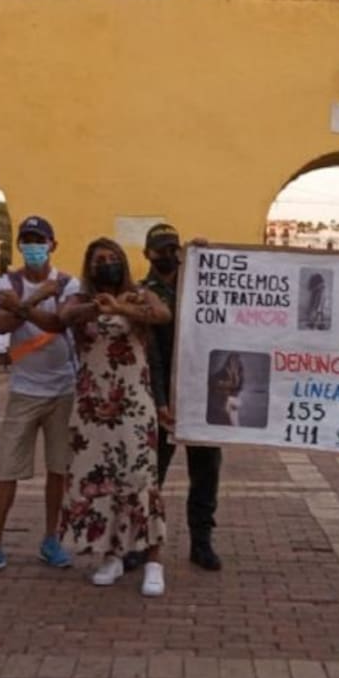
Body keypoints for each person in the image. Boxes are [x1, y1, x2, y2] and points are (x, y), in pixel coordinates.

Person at [0, 215, 77, 576]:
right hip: (25, 390)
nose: (32, 246)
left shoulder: (70, 284)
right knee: (7, 470)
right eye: (26, 239)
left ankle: (51, 539)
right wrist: (38, 299)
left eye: (39, 239)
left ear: (53, 245)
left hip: (63, 389)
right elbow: (2, 325)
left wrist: (23, 305)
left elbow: (59, 323)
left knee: (59, 470)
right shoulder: (4, 283)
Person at [60, 237, 171, 595]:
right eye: (98, 260)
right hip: (92, 407)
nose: (105, 264)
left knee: (140, 479)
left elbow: (161, 314)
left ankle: (153, 560)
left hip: (135, 406)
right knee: (101, 480)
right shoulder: (80, 300)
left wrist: (122, 308)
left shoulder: (141, 295)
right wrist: (99, 307)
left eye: (111, 258)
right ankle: (112, 556)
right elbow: (65, 317)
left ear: (123, 262)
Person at [143, 224, 224, 571]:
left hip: (202, 395)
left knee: (206, 473)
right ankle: (142, 542)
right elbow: (151, 354)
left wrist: (206, 259)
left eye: (173, 249)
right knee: (150, 475)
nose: (168, 255)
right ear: (147, 254)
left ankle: (201, 541)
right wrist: (160, 401)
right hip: (160, 398)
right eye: (160, 249)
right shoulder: (143, 293)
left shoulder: (199, 284)